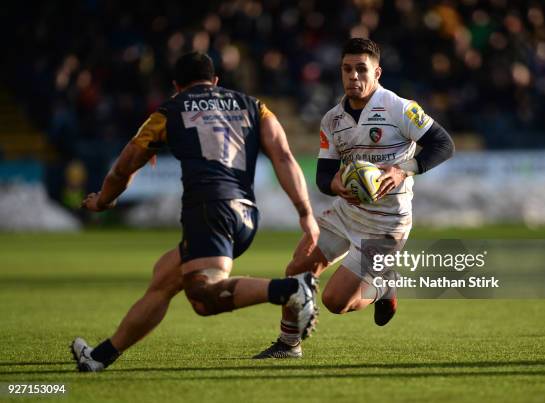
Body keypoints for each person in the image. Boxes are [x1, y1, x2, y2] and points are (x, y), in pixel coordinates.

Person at [71, 52, 320, 372]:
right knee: (165, 278)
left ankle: (291, 289)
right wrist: (305, 213)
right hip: (245, 215)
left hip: (208, 209)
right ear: (216, 81)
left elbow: (122, 168)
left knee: (204, 297)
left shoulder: (169, 110)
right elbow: (283, 156)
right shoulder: (255, 106)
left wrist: (103, 201)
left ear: (176, 86)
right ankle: (100, 357)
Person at [253, 38, 455, 359]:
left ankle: (382, 288)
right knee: (297, 269)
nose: (353, 77)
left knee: (335, 303)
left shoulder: (400, 108)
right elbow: (323, 177)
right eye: (347, 69)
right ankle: (289, 345)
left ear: (377, 72)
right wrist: (335, 184)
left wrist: (404, 170)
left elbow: (443, 144)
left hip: (386, 226)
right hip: (346, 212)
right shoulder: (332, 120)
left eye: (362, 69)